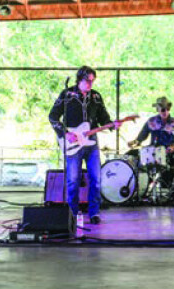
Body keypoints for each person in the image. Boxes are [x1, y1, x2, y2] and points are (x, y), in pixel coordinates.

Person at [48, 66, 121, 224]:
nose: (90, 84)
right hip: (72, 144)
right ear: (79, 79)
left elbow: (104, 118)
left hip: (91, 143)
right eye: (87, 80)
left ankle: (94, 213)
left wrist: (111, 124)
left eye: (92, 81)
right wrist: (65, 133)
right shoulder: (67, 95)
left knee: (96, 178)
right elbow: (53, 116)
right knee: (73, 180)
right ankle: (72, 213)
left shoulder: (96, 97)